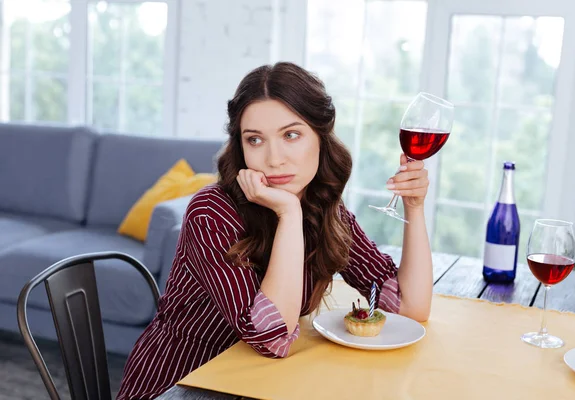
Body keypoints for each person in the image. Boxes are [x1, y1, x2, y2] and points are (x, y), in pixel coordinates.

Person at [117, 62, 432, 399]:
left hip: (264, 384)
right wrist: (288, 212)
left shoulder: (324, 207)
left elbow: (410, 308)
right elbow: (271, 337)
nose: (274, 158)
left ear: (321, 136)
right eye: (255, 140)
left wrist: (414, 206)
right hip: (183, 382)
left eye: (291, 135)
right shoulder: (211, 212)